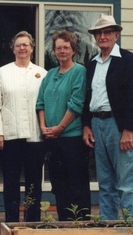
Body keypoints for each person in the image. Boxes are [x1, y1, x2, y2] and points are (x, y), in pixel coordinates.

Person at [0, 31, 47, 222]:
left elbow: (47, 104)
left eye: (26, 44)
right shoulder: (3, 72)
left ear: (32, 48)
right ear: (13, 48)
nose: (22, 48)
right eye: (19, 45)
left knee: (33, 183)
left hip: (35, 137)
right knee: (10, 182)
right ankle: (11, 221)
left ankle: (32, 221)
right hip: (10, 136)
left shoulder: (42, 73)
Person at [36, 30, 91, 221]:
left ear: (73, 50)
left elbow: (76, 104)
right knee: (58, 185)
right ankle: (64, 223)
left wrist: (60, 127)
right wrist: (44, 127)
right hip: (52, 138)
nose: (62, 51)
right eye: (58, 47)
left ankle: (80, 224)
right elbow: (40, 103)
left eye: (66, 47)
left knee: (76, 184)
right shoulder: (50, 74)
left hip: (71, 138)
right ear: (54, 51)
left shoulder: (79, 71)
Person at [82, 14, 133, 220]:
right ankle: (108, 226)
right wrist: (86, 125)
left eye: (107, 32)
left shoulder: (128, 61)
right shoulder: (92, 63)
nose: (102, 36)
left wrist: (129, 130)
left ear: (116, 35)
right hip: (97, 124)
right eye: (98, 33)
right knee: (105, 182)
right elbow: (88, 97)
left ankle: (130, 226)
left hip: (118, 127)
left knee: (126, 182)